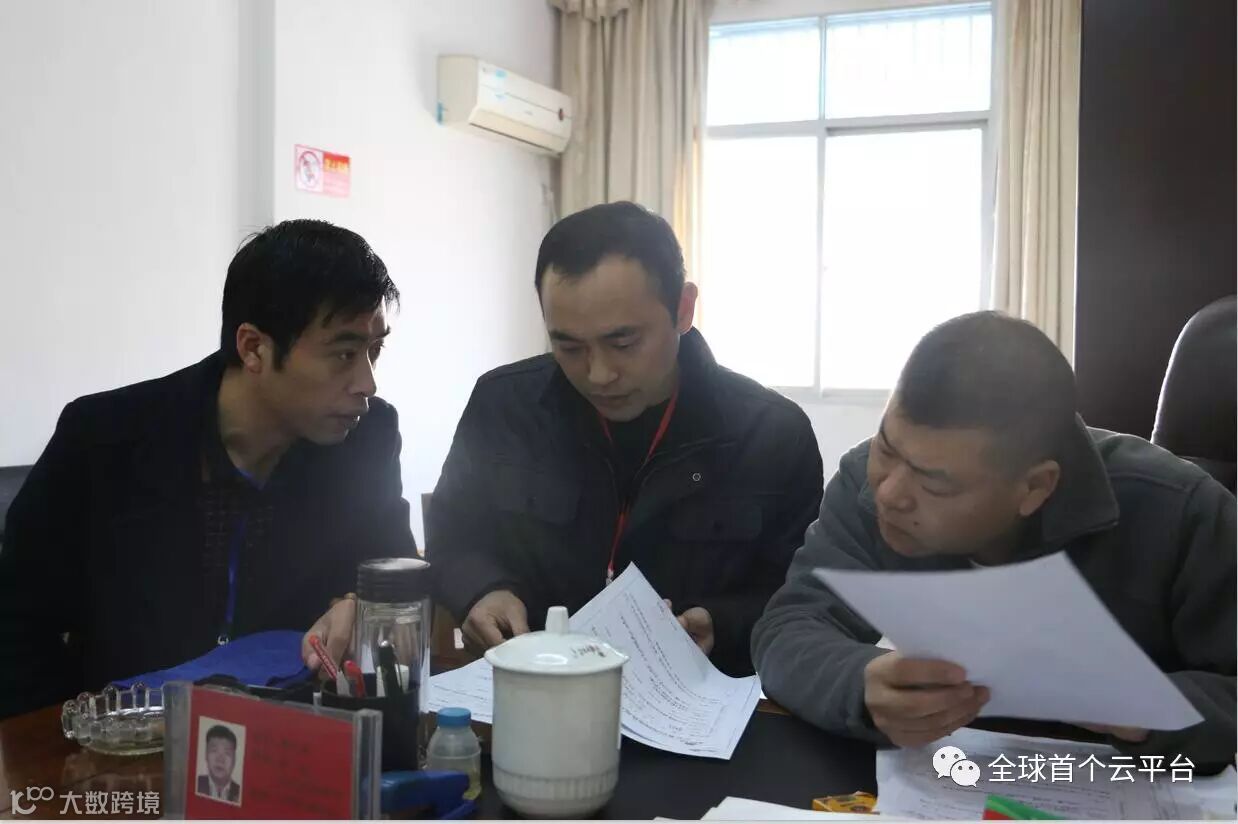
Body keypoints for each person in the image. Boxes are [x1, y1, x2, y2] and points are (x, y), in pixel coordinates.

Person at [752, 311, 1236, 770]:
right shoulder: (865, 479)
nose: (890, 493)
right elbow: (788, 627)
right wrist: (858, 683)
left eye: (934, 482)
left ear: (1034, 487)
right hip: (945, 773)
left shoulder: (1180, 510)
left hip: (1122, 782)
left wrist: (1151, 705)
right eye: (887, 447)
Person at [0, 219, 416, 719]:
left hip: (290, 733)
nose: (367, 383)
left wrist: (361, 605)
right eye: (344, 354)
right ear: (254, 348)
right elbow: (16, 621)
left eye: (374, 351)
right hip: (124, 740)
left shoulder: (367, 439)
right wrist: (63, 736)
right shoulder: (103, 440)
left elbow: (398, 572)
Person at [427, 201, 823, 675]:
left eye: (623, 343)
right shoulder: (504, 406)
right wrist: (481, 589)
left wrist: (722, 623)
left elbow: (799, 599)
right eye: (569, 346)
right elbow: (452, 536)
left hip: (693, 696)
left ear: (683, 309)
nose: (598, 374)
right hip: (530, 686)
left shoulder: (770, 435)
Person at [197, 724, 242, 804]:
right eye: (214, 750)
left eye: (227, 753)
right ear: (206, 754)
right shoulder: (196, 784)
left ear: (234, 760)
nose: (220, 759)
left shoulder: (240, 793)